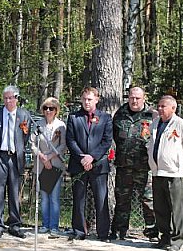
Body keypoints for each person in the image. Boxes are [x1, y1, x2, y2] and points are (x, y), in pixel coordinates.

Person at [147, 95, 183, 251]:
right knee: (160, 208)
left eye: (164, 106)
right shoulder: (155, 123)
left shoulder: (182, 125)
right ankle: (165, 236)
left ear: (173, 108)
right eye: (159, 106)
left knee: (176, 208)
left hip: (174, 174)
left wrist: (182, 167)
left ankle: (177, 239)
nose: (160, 109)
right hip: (157, 172)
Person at [109, 87, 158, 241]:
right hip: (124, 166)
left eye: (138, 98)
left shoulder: (152, 115)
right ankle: (119, 231)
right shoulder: (120, 114)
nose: (134, 101)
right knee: (122, 200)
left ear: (144, 98)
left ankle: (152, 232)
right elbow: (114, 137)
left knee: (148, 200)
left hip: (145, 166)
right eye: (131, 98)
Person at [66, 86, 112, 241]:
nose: (86, 102)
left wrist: (92, 157)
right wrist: (82, 158)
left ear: (97, 100)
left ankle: (103, 233)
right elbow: (70, 140)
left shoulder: (105, 118)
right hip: (78, 164)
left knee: (101, 199)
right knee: (79, 199)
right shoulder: (74, 117)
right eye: (84, 99)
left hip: (98, 165)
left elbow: (106, 141)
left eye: (90, 99)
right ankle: (79, 231)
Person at [0, 85, 31, 239]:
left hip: (15, 157)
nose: (8, 101)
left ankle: (15, 224)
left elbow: (25, 137)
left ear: (17, 98)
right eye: (5, 98)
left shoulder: (24, 115)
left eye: (11, 98)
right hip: (0, 157)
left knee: (15, 192)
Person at [30, 97, 66, 239]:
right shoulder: (38, 125)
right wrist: (42, 157)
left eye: (51, 108)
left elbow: (63, 145)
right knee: (44, 197)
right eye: (46, 108)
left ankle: (54, 226)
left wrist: (50, 157)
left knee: (54, 198)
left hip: (55, 165)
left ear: (56, 110)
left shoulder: (61, 126)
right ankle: (45, 225)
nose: (48, 111)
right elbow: (32, 144)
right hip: (40, 165)